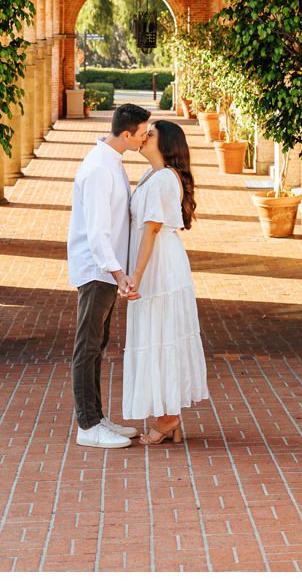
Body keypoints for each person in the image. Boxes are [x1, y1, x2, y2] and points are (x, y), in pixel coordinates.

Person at [67, 103, 152, 448]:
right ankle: (88, 427)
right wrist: (119, 275)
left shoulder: (111, 163)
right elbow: (98, 232)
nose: (147, 138)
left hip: (105, 270)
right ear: (127, 134)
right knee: (86, 348)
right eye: (144, 133)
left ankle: (97, 417)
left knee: (97, 345)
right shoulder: (100, 170)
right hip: (97, 271)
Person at [121, 119, 210, 444]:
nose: (144, 137)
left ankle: (168, 417)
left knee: (160, 335)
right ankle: (167, 414)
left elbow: (152, 229)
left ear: (166, 143)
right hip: (156, 262)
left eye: (151, 134)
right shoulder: (154, 176)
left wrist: (136, 276)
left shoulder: (162, 180)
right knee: (156, 334)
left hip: (159, 266)